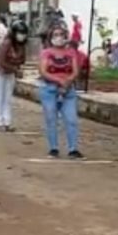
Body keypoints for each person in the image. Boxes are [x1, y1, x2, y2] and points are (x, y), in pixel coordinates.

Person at [38, 25, 83, 159]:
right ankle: (53, 148)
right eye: (55, 35)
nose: (58, 38)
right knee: (51, 119)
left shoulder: (71, 52)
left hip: (68, 90)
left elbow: (76, 71)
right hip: (49, 89)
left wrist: (67, 81)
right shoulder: (46, 53)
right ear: (50, 38)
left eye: (61, 35)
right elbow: (43, 71)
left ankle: (73, 148)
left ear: (65, 37)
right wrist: (58, 80)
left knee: (71, 119)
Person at [0, 20, 28, 132]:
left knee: (7, 98)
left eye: (24, 33)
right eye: (20, 32)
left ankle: (7, 122)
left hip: (10, 73)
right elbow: (1, 61)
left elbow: (22, 59)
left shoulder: (21, 46)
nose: (22, 35)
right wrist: (15, 69)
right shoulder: (7, 43)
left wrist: (16, 68)